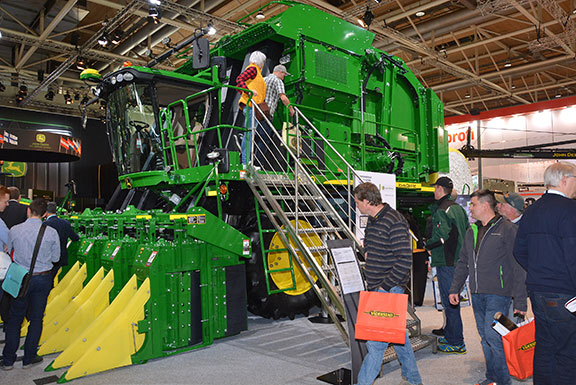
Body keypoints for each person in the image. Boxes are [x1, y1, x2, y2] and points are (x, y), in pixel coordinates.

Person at [449, 189, 527, 385]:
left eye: (473, 204)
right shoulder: (471, 231)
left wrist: (520, 300)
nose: (470, 208)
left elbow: (519, 266)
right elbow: (463, 262)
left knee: (494, 337)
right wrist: (454, 288)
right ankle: (491, 378)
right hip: (476, 293)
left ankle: (502, 381)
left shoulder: (507, 229)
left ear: (485, 206)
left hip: (498, 294)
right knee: (485, 337)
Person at [353, 182, 423, 385]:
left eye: (357, 202)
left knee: (375, 344)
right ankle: (413, 379)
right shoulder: (373, 220)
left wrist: (384, 287)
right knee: (399, 336)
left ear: (367, 201)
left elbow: (403, 260)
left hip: (387, 290)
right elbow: (374, 246)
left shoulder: (395, 221)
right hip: (377, 288)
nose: (356, 205)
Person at [513, 162, 576, 385]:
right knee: (569, 351)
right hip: (566, 295)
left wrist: (539, 270)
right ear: (564, 180)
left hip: (537, 291)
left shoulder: (532, 211)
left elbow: (518, 249)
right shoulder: (570, 210)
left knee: (545, 347)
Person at [1, 198, 60, 371]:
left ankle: (8, 360)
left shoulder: (14, 230)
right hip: (42, 279)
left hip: (20, 278)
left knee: (15, 319)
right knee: (36, 319)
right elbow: (56, 258)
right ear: (44, 214)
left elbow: (8, 249)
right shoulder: (51, 232)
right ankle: (29, 359)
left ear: (28, 211)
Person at [425, 176, 469, 353]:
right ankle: (451, 335)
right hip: (459, 260)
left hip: (446, 261)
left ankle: (456, 341)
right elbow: (466, 232)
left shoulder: (442, 210)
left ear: (440, 189)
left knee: (450, 301)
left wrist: (426, 245)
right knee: (454, 300)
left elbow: (441, 237)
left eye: (435, 188)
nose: (434, 191)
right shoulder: (459, 208)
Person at [255, 64, 296, 167]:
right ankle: (258, 164)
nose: (284, 77)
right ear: (280, 72)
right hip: (266, 114)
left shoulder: (263, 79)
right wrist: (291, 109)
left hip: (257, 112)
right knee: (264, 139)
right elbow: (283, 97)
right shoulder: (278, 81)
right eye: (284, 75)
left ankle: (250, 161)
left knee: (256, 137)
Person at [236, 50, 267, 166]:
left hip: (254, 107)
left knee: (250, 134)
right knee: (249, 134)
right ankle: (245, 162)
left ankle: (247, 161)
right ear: (261, 62)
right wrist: (248, 92)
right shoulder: (253, 69)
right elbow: (239, 80)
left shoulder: (257, 73)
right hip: (250, 106)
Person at [44, 201, 80, 280]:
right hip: (61, 258)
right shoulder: (65, 223)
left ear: (46, 212)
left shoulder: (45, 225)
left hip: (48, 258)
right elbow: (75, 237)